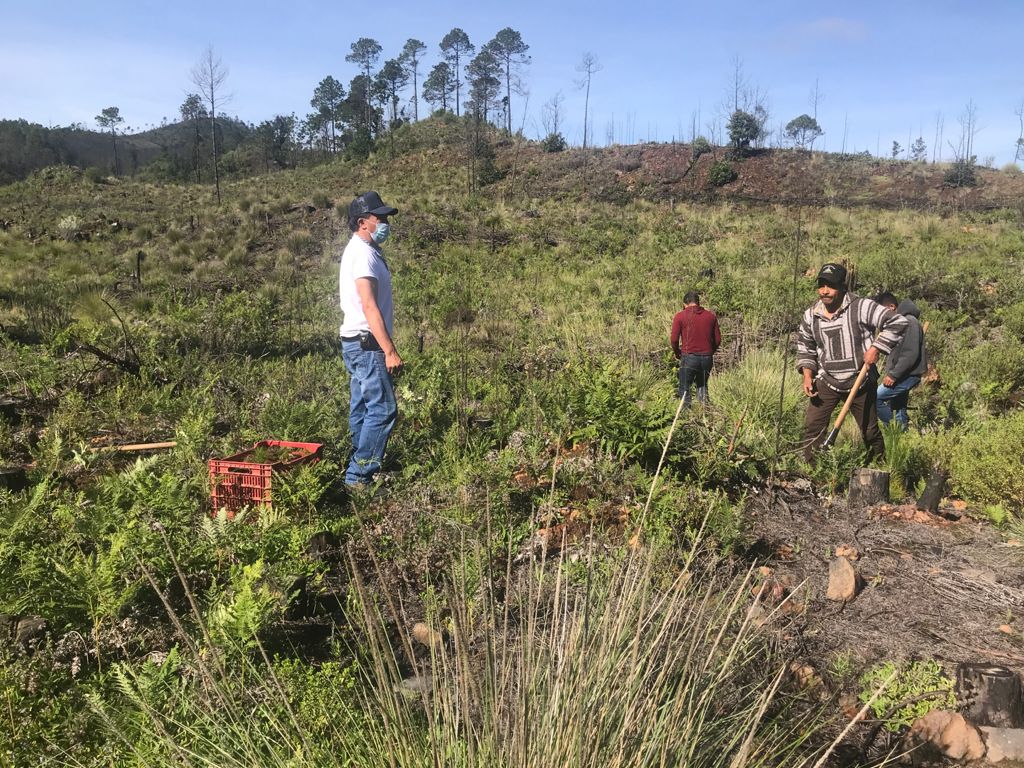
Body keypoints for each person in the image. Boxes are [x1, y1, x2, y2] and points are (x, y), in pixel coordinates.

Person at [796, 263, 907, 463]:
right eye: (821, 285)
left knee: (869, 431)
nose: (825, 291)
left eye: (831, 286)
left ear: (842, 287)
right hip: (826, 380)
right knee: (813, 427)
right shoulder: (811, 315)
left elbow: (898, 322)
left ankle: (879, 468)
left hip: (860, 380)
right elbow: (806, 345)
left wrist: (876, 348)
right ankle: (812, 471)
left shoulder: (861, 307)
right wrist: (807, 375)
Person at [338, 191, 401, 487]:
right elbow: (369, 306)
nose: (386, 223)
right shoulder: (363, 255)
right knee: (383, 409)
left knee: (363, 407)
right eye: (381, 218)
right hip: (367, 344)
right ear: (363, 222)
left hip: (357, 342)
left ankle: (358, 464)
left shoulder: (364, 250)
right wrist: (389, 350)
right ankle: (358, 476)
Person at [874, 292, 928, 430]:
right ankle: (902, 435)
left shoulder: (909, 322)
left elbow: (910, 353)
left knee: (875, 398)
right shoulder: (901, 323)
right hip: (903, 374)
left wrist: (893, 375)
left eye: (882, 311)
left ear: (892, 307)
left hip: (907, 375)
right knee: (898, 406)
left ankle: (894, 430)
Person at [670, 290, 721, 406]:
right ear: (698, 302)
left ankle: (685, 414)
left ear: (685, 304)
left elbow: (674, 339)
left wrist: (677, 353)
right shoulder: (711, 316)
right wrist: (709, 352)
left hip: (689, 357)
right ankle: (704, 412)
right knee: (702, 386)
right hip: (707, 358)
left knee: (685, 388)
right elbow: (718, 340)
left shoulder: (680, 316)